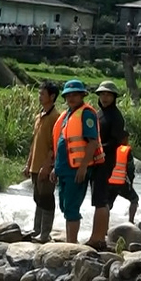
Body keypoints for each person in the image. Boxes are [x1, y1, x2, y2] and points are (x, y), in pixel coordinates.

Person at [50, 79, 104, 245]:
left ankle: (71, 244)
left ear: (82, 95)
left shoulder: (86, 114)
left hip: (76, 169)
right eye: (69, 95)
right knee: (65, 206)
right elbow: (62, 142)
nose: (71, 98)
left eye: (75, 94)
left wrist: (82, 167)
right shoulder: (67, 115)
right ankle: (69, 241)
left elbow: (93, 142)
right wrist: (55, 168)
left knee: (72, 207)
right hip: (64, 169)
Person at [23, 81, 60, 243]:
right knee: (37, 197)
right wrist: (28, 163)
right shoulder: (40, 116)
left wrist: (48, 165)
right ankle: (37, 229)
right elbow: (34, 143)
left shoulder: (55, 118)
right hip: (35, 165)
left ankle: (45, 233)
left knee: (46, 197)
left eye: (42, 94)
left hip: (46, 165)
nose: (39, 96)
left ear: (52, 97)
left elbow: (55, 145)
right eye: (39, 93)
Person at [90, 80, 125, 249]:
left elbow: (115, 142)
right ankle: (99, 234)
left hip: (105, 161)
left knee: (100, 198)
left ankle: (97, 238)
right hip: (96, 160)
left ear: (114, 97)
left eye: (108, 95)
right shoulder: (99, 113)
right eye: (102, 94)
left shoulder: (115, 116)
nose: (104, 97)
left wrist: (97, 149)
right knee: (98, 197)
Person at [107, 131, 140, 224]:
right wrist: (131, 183)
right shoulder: (126, 150)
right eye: (127, 138)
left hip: (109, 182)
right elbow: (130, 169)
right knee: (134, 199)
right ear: (123, 139)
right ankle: (131, 222)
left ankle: (104, 227)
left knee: (107, 205)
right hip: (122, 183)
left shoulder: (110, 148)